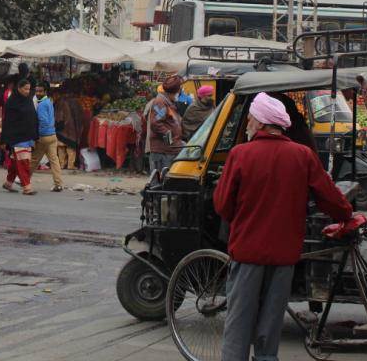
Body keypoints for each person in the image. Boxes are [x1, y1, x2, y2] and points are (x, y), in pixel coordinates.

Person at [213, 93, 353, 361]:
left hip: (247, 253)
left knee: (239, 325)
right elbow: (329, 196)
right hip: (283, 256)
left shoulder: (240, 154)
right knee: (270, 326)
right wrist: (346, 215)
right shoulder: (303, 155)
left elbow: (222, 204)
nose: (248, 124)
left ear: (262, 123)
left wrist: (241, 218)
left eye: (251, 119)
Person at [2, 79, 39, 195]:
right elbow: (7, 121)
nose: (27, 91)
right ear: (19, 88)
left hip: (27, 136)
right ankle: (27, 187)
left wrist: (35, 135)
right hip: (16, 136)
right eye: (25, 89)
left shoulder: (28, 100)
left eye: (29, 89)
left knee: (15, 162)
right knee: (23, 162)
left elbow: (32, 117)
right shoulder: (11, 102)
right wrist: (4, 139)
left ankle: (8, 183)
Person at [146, 76, 185, 173]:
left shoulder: (169, 103)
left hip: (170, 149)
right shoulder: (161, 103)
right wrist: (170, 138)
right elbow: (156, 123)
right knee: (160, 181)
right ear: (175, 91)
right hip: (163, 151)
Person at [31, 82, 64, 192]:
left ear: (45, 91)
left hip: (44, 135)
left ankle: (23, 179)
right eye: (36, 91)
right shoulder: (49, 101)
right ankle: (58, 184)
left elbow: (43, 120)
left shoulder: (41, 105)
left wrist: (38, 134)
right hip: (52, 135)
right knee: (54, 160)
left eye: (40, 91)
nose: (38, 93)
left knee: (34, 159)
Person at [55, 93, 84, 170]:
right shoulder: (75, 102)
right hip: (71, 129)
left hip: (60, 128)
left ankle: (61, 164)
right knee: (70, 147)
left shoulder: (59, 102)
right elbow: (79, 116)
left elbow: (56, 115)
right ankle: (70, 165)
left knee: (61, 147)